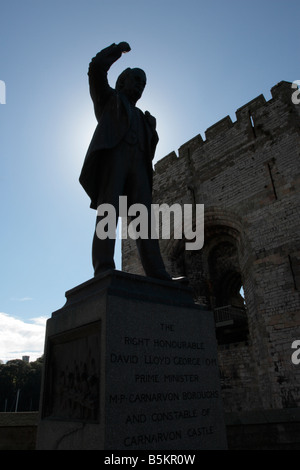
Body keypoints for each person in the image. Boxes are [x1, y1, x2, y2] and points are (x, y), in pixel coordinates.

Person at [79, 42, 171, 281]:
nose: (140, 86)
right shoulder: (108, 99)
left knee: (144, 220)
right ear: (122, 82)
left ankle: (157, 272)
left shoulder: (142, 116)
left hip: (138, 166)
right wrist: (116, 51)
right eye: (136, 80)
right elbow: (96, 68)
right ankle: (104, 267)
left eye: (144, 83)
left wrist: (152, 132)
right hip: (115, 161)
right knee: (108, 212)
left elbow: (148, 148)